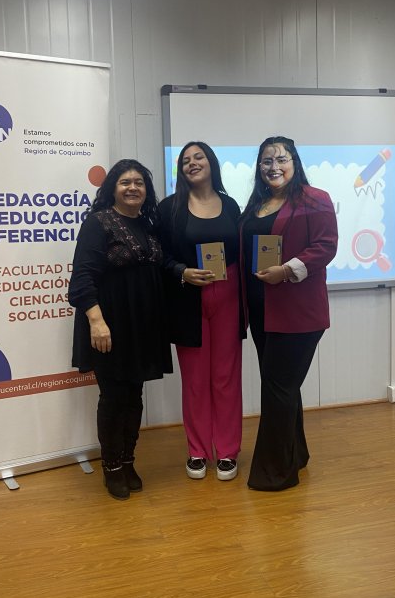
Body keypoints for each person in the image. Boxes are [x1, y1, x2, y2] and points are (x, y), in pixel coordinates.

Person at [68, 160, 172, 501]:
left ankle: (128, 460)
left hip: (143, 325)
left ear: (147, 189)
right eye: (125, 182)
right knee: (113, 398)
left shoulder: (148, 223)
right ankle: (111, 467)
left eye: (139, 182)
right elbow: (82, 277)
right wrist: (96, 322)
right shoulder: (98, 222)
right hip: (109, 325)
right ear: (112, 187)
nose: (132, 187)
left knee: (134, 395)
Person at [240, 136, 338, 491]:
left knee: (278, 387)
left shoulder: (315, 199)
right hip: (262, 311)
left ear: (294, 162)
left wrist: (286, 270)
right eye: (267, 160)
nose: (274, 166)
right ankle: (295, 455)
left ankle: (276, 473)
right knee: (282, 386)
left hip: (298, 311)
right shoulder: (257, 204)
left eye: (281, 159)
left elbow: (325, 246)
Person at [159, 141, 244, 481]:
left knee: (226, 377)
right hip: (187, 298)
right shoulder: (169, 208)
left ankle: (227, 451)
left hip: (228, 293)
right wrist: (182, 271)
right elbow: (159, 255)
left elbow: (243, 249)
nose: (192, 163)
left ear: (211, 163)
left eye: (199, 157)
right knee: (195, 379)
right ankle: (197, 450)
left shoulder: (231, 204)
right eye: (185, 160)